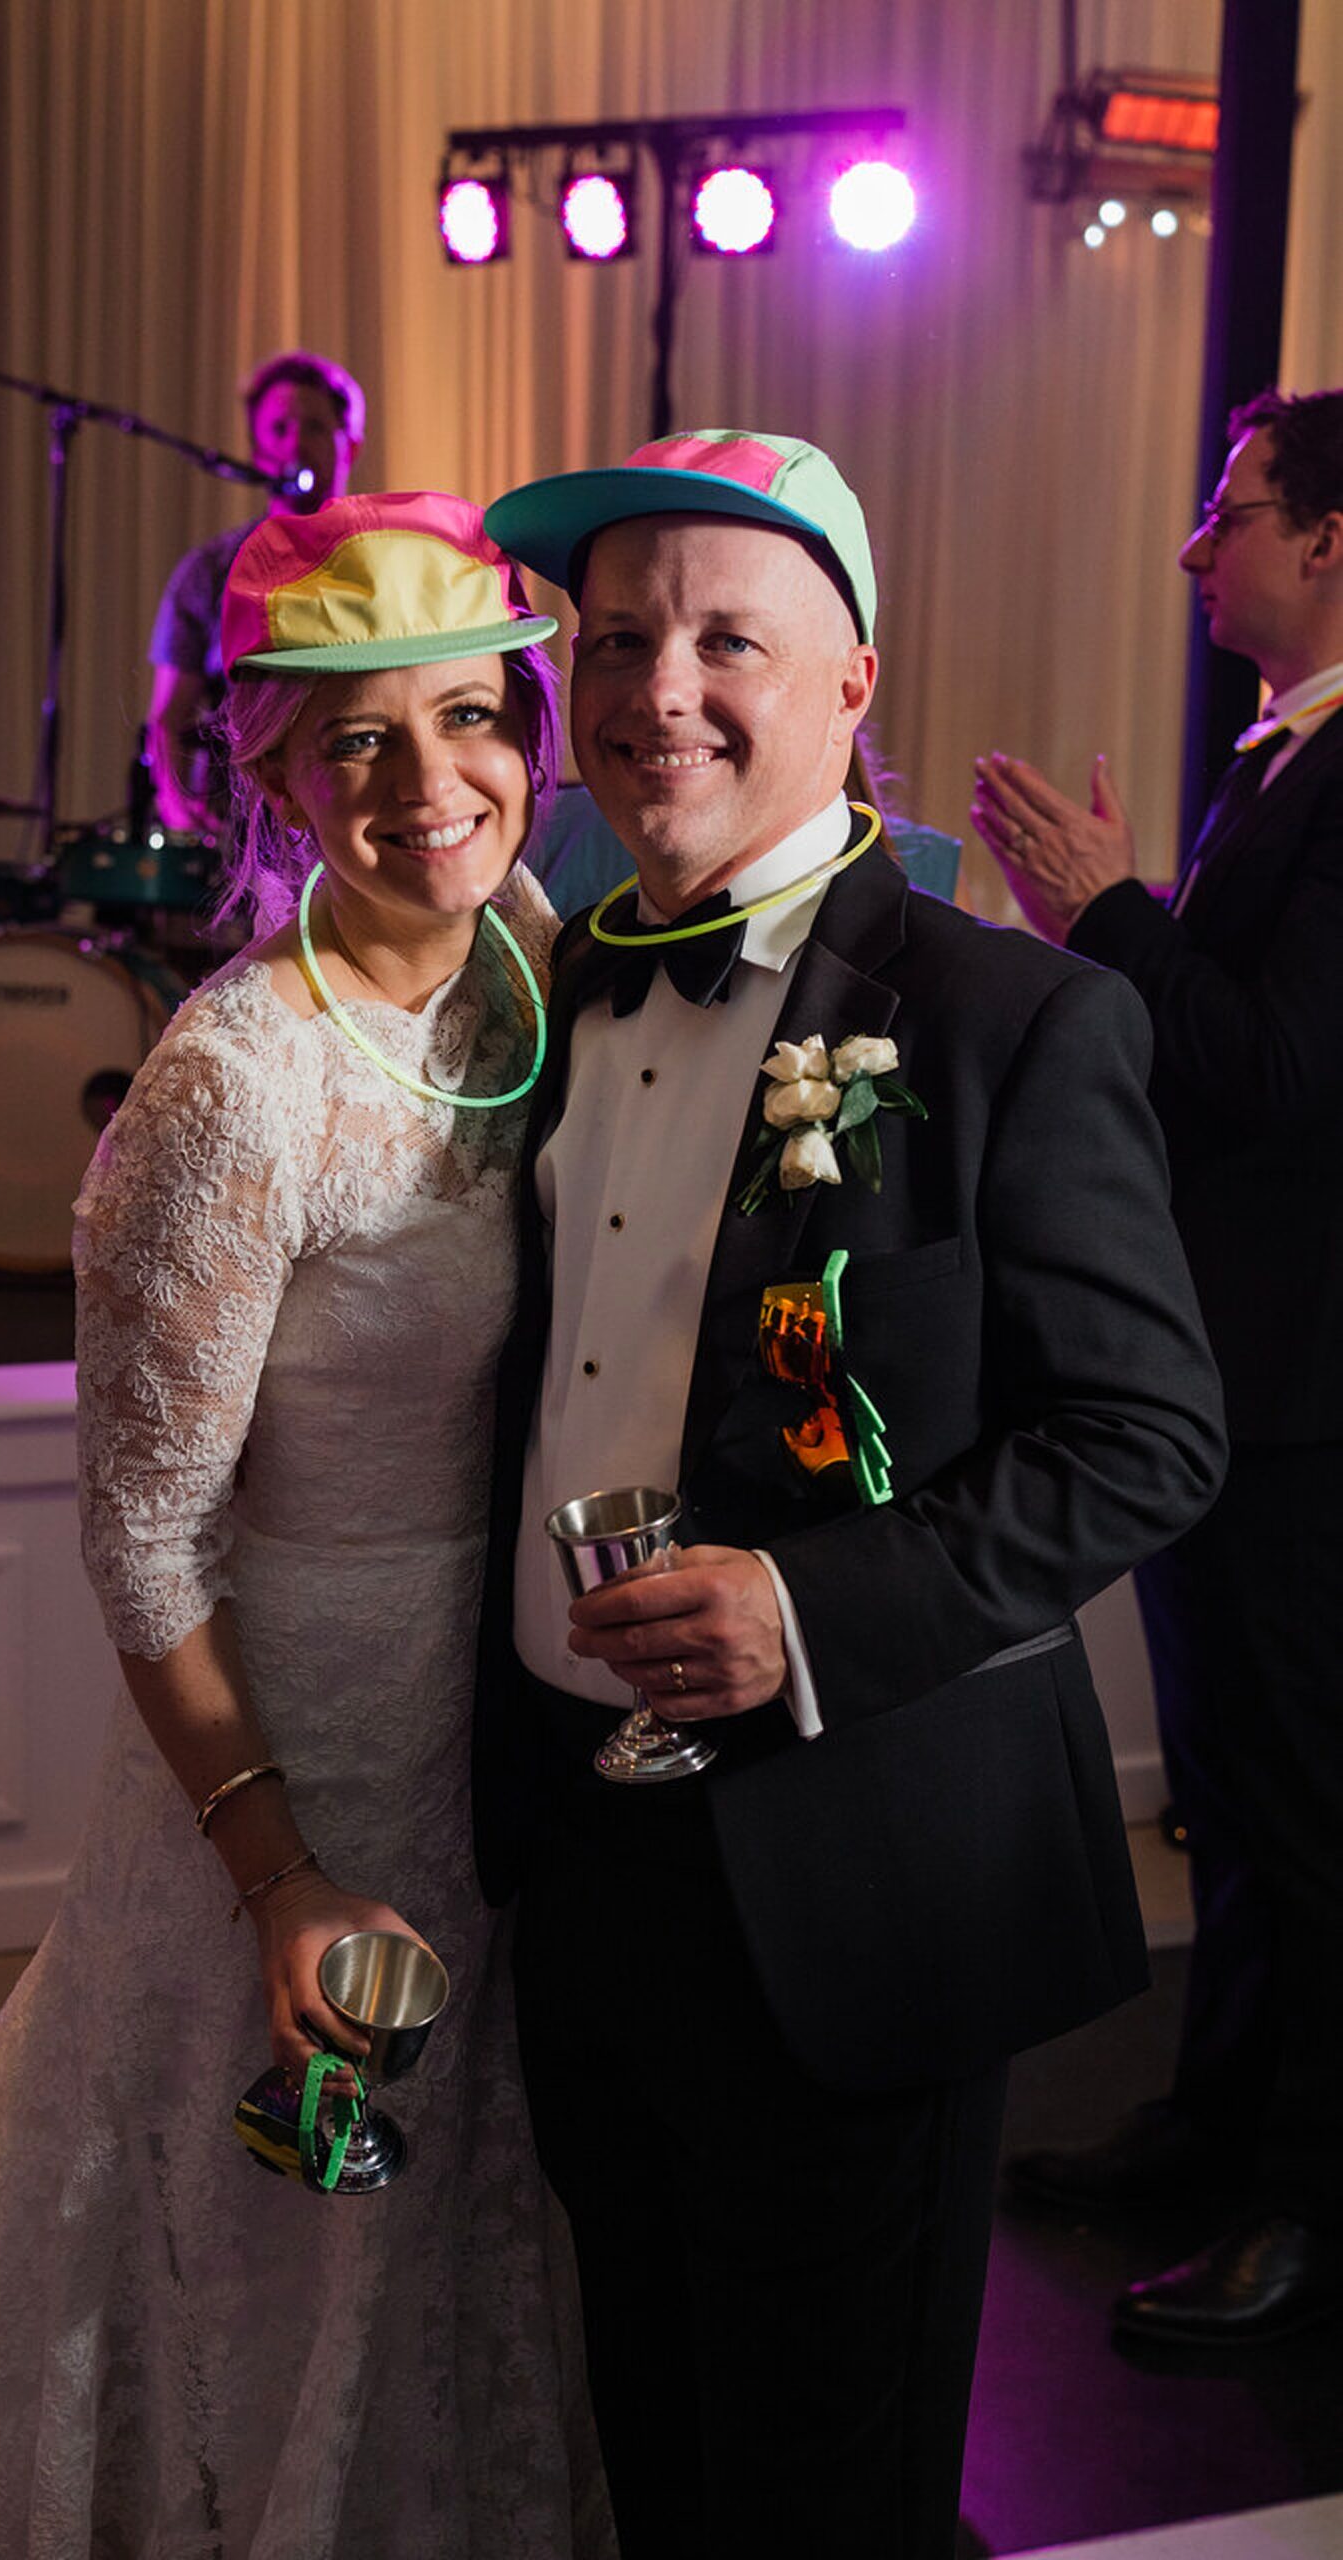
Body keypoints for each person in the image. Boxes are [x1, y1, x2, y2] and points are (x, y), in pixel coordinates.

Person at [0, 493, 618, 2559]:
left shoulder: (533, 976)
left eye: (465, 718)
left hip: (498, 1722)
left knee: (464, 2188)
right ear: (258, 766)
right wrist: (277, 1878)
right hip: (303, 1742)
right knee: (260, 2194)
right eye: (354, 738)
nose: (429, 784)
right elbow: (146, 1540)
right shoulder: (231, 1084)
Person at [474, 429, 1226, 2559]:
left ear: (853, 684)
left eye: (728, 633)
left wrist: (804, 1613)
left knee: (835, 2488)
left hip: (857, 1860)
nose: (656, 689)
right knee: (658, 2430)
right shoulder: (558, 987)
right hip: (581, 1840)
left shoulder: (1015, 1018)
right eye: (616, 638)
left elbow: (1149, 1432)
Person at [972, 386, 1343, 2347]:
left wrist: (1106, 907)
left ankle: (1311, 2199)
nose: (1201, 548)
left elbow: (1283, 1076)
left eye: (1235, 511)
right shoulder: (1282, 762)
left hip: (1313, 1392)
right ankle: (1221, 2124)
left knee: (1308, 1806)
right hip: (1242, 1377)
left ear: (1335, 540)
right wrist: (1104, 924)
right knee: (1231, 1792)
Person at [146, 349, 365, 836]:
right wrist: (182, 813)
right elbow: (169, 717)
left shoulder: (376, 560)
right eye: (279, 429)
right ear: (256, 448)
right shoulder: (210, 570)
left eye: (314, 427)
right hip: (240, 831)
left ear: (350, 445)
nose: (296, 445)